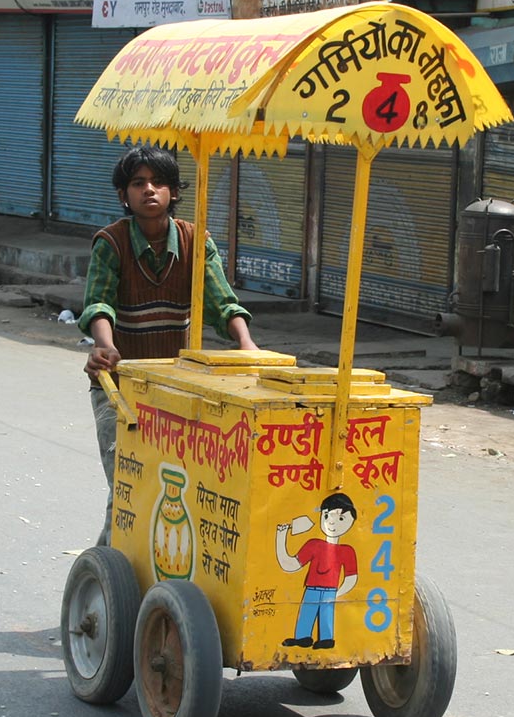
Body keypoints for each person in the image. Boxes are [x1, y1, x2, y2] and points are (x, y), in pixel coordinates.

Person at [79, 146, 257, 545]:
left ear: (174, 192)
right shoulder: (111, 242)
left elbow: (222, 300)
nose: (149, 190)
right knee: (128, 486)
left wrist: (246, 342)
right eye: (138, 183)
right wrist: (104, 347)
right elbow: (98, 303)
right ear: (124, 194)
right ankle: (108, 582)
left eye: (158, 182)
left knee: (179, 488)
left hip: (177, 389)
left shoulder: (197, 241)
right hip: (119, 388)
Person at [276, 493, 360, 651]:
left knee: (327, 614)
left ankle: (326, 639)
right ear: (322, 516)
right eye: (327, 515)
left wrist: (338, 592)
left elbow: (351, 577)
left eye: (341, 518)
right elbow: (290, 564)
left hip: (330, 590)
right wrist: (281, 537)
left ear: (351, 521)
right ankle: (302, 637)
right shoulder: (314, 545)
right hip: (312, 588)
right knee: (307, 611)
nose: (332, 523)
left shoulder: (347, 551)